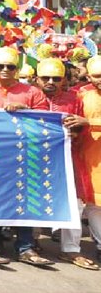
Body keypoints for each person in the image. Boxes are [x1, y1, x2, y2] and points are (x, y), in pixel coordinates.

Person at [0, 46, 53, 267]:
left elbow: (47, 121)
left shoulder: (32, 92)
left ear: (17, 68)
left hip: (22, 157)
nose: (6, 70)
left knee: (23, 200)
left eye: (11, 66)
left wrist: (25, 109)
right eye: (0, 66)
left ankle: (25, 248)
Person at [34, 58, 97, 270]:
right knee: (34, 197)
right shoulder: (30, 97)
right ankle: (30, 243)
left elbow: (81, 127)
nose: (50, 81)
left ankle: (71, 249)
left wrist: (75, 130)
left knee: (75, 203)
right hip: (34, 158)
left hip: (68, 156)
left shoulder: (75, 98)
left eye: (56, 78)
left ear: (64, 80)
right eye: (45, 78)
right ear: (37, 79)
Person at [76, 56, 101, 266]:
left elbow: (85, 120)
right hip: (92, 157)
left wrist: (89, 121)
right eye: (96, 76)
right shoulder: (82, 94)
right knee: (95, 204)